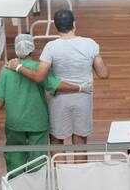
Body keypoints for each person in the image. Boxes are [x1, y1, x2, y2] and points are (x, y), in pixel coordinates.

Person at [8, 9, 109, 147]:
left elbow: (39, 77)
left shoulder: (51, 47)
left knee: (56, 141)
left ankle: (58, 163)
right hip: (83, 98)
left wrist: (18, 67)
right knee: (80, 142)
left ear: (56, 27)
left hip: (59, 101)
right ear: (74, 24)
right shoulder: (90, 44)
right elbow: (103, 74)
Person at [0, 34, 89, 173]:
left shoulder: (7, 70)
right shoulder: (39, 69)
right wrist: (80, 87)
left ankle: (16, 185)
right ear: (32, 49)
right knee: (37, 159)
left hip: (15, 123)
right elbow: (57, 85)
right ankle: (36, 184)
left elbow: (0, 98)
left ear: (16, 49)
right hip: (37, 121)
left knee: (15, 157)